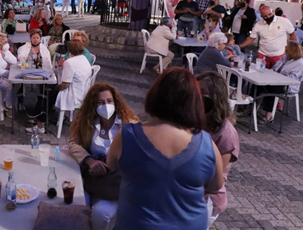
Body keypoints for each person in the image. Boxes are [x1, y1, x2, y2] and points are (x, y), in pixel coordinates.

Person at [109, 68, 224, 229]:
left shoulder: (127, 136)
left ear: (155, 95)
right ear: (194, 102)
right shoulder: (206, 143)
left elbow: (112, 165)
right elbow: (215, 186)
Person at [68, 82, 140, 230]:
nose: (106, 106)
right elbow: (73, 144)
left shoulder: (129, 125)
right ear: (93, 105)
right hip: (94, 178)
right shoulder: (88, 124)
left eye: (109, 101)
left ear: (115, 102)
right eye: (100, 102)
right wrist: (89, 160)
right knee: (75, 205)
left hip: (117, 183)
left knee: (101, 213)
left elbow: (138, 157)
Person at [194, 71, 239, 227]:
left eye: (204, 93)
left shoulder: (226, 132)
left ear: (216, 98)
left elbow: (216, 175)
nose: (198, 97)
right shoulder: (196, 118)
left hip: (206, 199)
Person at [257, 42, 303, 124]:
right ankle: (252, 106)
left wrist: (277, 77)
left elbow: (292, 79)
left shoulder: (299, 63)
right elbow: (275, 68)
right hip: (276, 80)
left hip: (288, 86)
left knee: (271, 89)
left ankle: (269, 115)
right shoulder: (285, 58)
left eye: (287, 48)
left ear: (292, 50)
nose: (285, 49)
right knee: (257, 84)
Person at [55, 37, 93, 119]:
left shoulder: (69, 62)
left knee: (48, 94)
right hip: (83, 92)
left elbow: (65, 85)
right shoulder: (84, 59)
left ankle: (42, 122)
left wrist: (54, 88)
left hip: (73, 95)